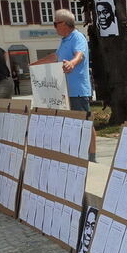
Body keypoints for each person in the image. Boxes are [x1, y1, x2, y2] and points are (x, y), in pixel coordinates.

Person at [53, 9, 97, 161]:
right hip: (66, 91)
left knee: (85, 123)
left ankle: (92, 156)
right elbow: (55, 57)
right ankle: (79, 153)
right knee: (74, 124)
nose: (54, 26)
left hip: (78, 90)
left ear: (64, 24)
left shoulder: (77, 37)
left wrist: (72, 63)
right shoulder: (64, 40)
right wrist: (33, 66)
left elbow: (80, 54)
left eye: (55, 23)